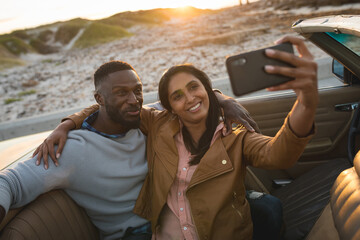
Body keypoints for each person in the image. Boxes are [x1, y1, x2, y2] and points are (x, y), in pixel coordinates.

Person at [47, 36, 318, 239]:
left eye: (194, 87)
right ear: (168, 106)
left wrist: (306, 101)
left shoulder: (234, 136)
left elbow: (279, 152)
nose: (189, 98)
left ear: (207, 90)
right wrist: (67, 124)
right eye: (177, 96)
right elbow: (109, 106)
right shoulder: (157, 123)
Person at [0, 61, 256, 240]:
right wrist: (67, 127)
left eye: (137, 90)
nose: (133, 100)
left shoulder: (144, 123)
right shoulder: (73, 150)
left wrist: (224, 101)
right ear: (99, 99)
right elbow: (10, 182)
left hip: (180, 214)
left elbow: (186, 98)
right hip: (136, 233)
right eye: (121, 93)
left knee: (266, 210)